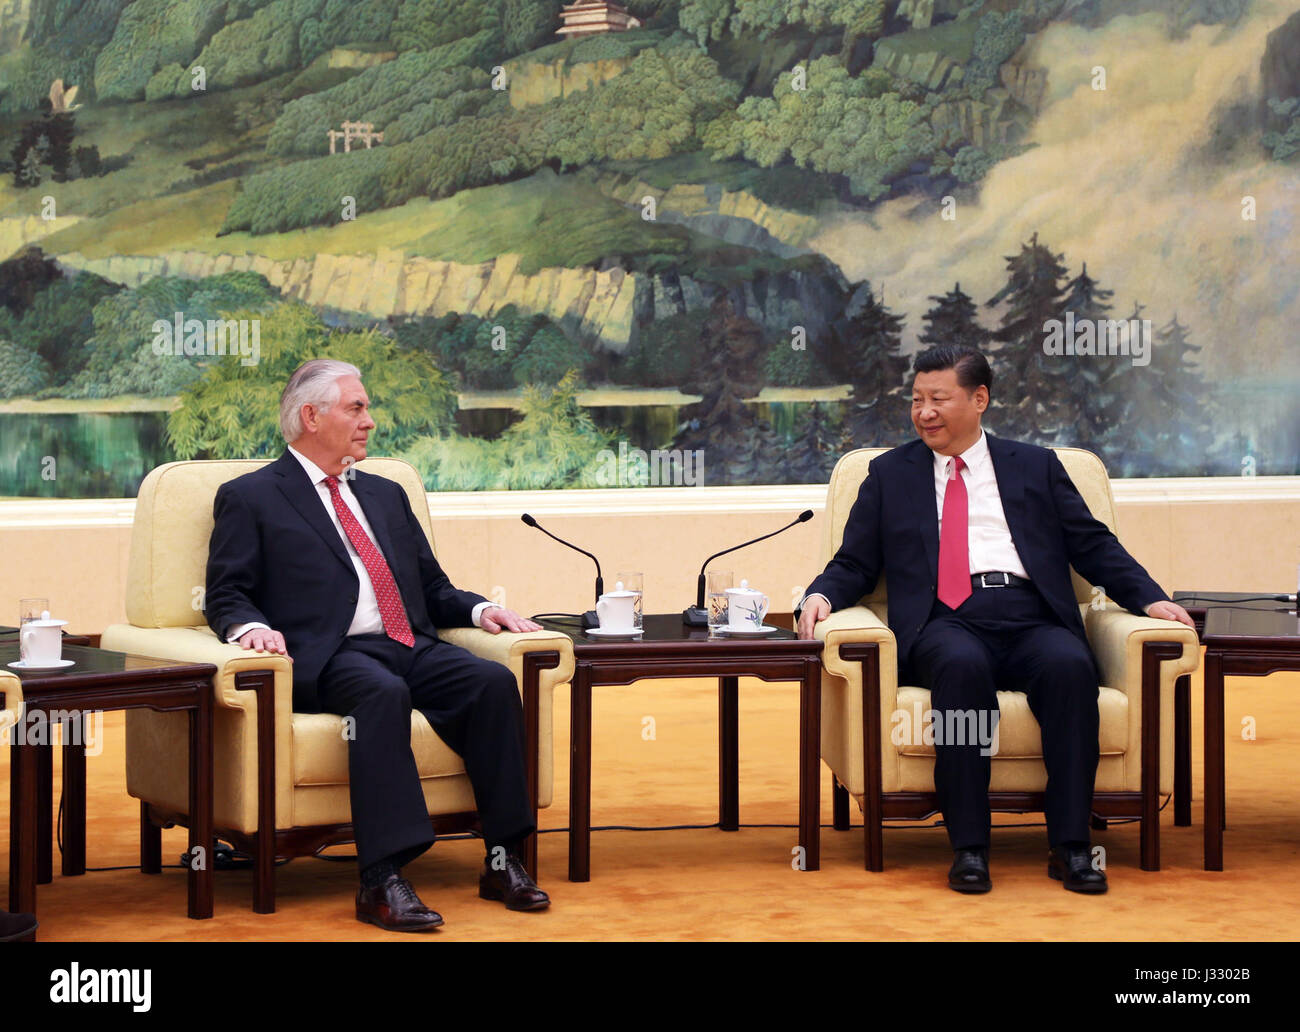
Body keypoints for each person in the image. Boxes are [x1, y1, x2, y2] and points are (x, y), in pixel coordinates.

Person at [798, 344, 1193, 894]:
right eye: (916, 400)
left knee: (1070, 669)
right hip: (946, 622)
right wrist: (820, 594)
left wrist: (1150, 599)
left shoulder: (1035, 466)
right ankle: (969, 847)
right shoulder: (889, 475)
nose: (924, 412)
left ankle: (1073, 846)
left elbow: (1093, 545)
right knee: (960, 672)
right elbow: (855, 562)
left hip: (1031, 616)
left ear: (979, 399)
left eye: (939, 399)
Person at [205, 358, 550, 931]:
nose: (369, 420)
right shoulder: (252, 496)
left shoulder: (386, 495)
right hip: (329, 655)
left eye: (367, 408)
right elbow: (225, 592)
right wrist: (249, 629)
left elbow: (433, 587)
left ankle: (502, 859)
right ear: (311, 417)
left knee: (490, 683)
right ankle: (382, 879)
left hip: (407, 641)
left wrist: (483, 609)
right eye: (356, 407)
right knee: (381, 694)